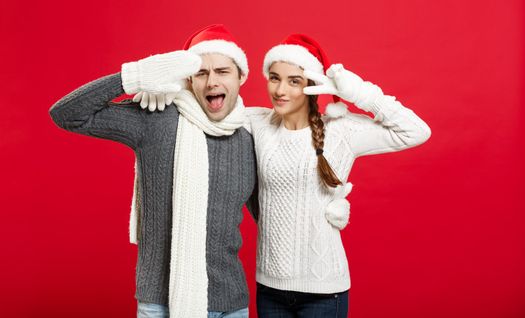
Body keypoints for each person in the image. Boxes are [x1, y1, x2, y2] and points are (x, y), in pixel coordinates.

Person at [49, 24, 257, 318]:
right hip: (159, 305)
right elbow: (66, 114)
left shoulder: (249, 137)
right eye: (201, 73)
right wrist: (136, 76)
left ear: (241, 77)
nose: (212, 81)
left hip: (231, 305)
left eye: (222, 71)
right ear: (189, 80)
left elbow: (271, 213)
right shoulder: (157, 118)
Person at [246, 34, 432, 317]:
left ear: (312, 85)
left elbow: (416, 131)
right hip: (269, 289)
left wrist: (359, 93)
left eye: (294, 81)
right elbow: (208, 110)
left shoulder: (341, 131)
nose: (280, 90)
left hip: (323, 292)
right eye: (274, 78)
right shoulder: (256, 123)